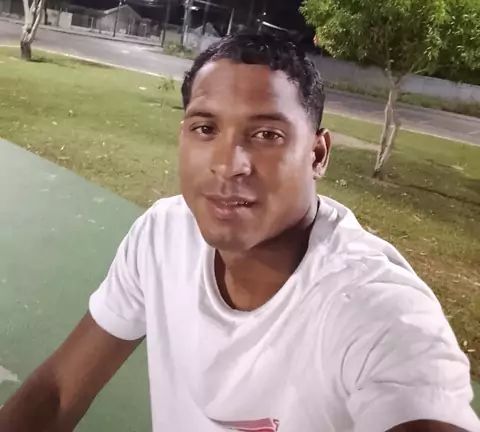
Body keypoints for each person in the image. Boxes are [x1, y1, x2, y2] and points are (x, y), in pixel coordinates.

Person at [0, 32, 478, 432]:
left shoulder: (377, 310)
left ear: (317, 155)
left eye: (267, 135)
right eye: (205, 129)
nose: (228, 164)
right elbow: (59, 393)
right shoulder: (162, 236)